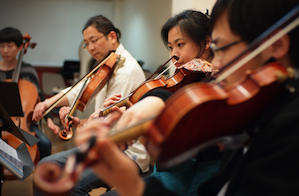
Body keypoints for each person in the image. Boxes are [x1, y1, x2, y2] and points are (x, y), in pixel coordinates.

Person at [72, 0, 299, 195]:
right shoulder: (255, 107)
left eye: (222, 49)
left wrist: (132, 184)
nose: (217, 63)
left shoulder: (286, 130)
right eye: (171, 46)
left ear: (276, 44)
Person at [76, 10, 220, 196]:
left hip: (189, 180)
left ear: (207, 42)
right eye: (170, 47)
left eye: (180, 44)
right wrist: (130, 106)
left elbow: (182, 146)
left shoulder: (212, 87)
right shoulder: (184, 79)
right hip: (165, 174)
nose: (174, 55)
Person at [34, 15, 149, 196]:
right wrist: (48, 103)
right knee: (44, 166)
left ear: (112, 36)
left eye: (94, 40)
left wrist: (83, 125)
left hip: (125, 152)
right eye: (86, 43)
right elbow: (79, 90)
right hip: (104, 143)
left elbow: (111, 127)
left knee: (71, 185)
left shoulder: (126, 71)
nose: (90, 48)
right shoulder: (107, 64)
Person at [0, 27, 60, 160]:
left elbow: (40, 97)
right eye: (1, 46)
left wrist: (49, 121)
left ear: (20, 47)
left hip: (24, 124)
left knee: (45, 143)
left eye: (10, 46)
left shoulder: (28, 70)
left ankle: (40, 180)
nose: (5, 50)